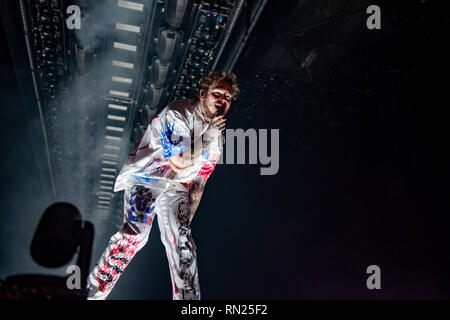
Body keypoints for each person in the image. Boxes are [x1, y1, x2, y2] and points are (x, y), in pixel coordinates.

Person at [86, 71, 239, 300]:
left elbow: (199, 182)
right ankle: (92, 295)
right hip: (147, 177)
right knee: (135, 236)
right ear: (202, 94)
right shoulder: (178, 113)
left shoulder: (217, 139)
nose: (222, 100)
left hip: (178, 186)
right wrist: (207, 137)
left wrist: (183, 225)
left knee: (183, 244)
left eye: (227, 98)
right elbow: (177, 162)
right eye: (217, 93)